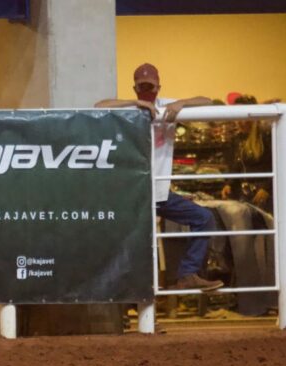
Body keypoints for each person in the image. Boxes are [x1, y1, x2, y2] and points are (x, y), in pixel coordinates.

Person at [95, 63, 224, 291]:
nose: (147, 91)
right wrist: (136, 103)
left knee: (203, 218)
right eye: (142, 87)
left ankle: (187, 273)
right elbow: (99, 106)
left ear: (158, 87)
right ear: (134, 88)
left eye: (151, 87)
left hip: (160, 191)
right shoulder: (130, 109)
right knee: (132, 244)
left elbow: (208, 101)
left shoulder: (168, 106)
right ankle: (128, 298)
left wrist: (182, 103)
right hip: (134, 190)